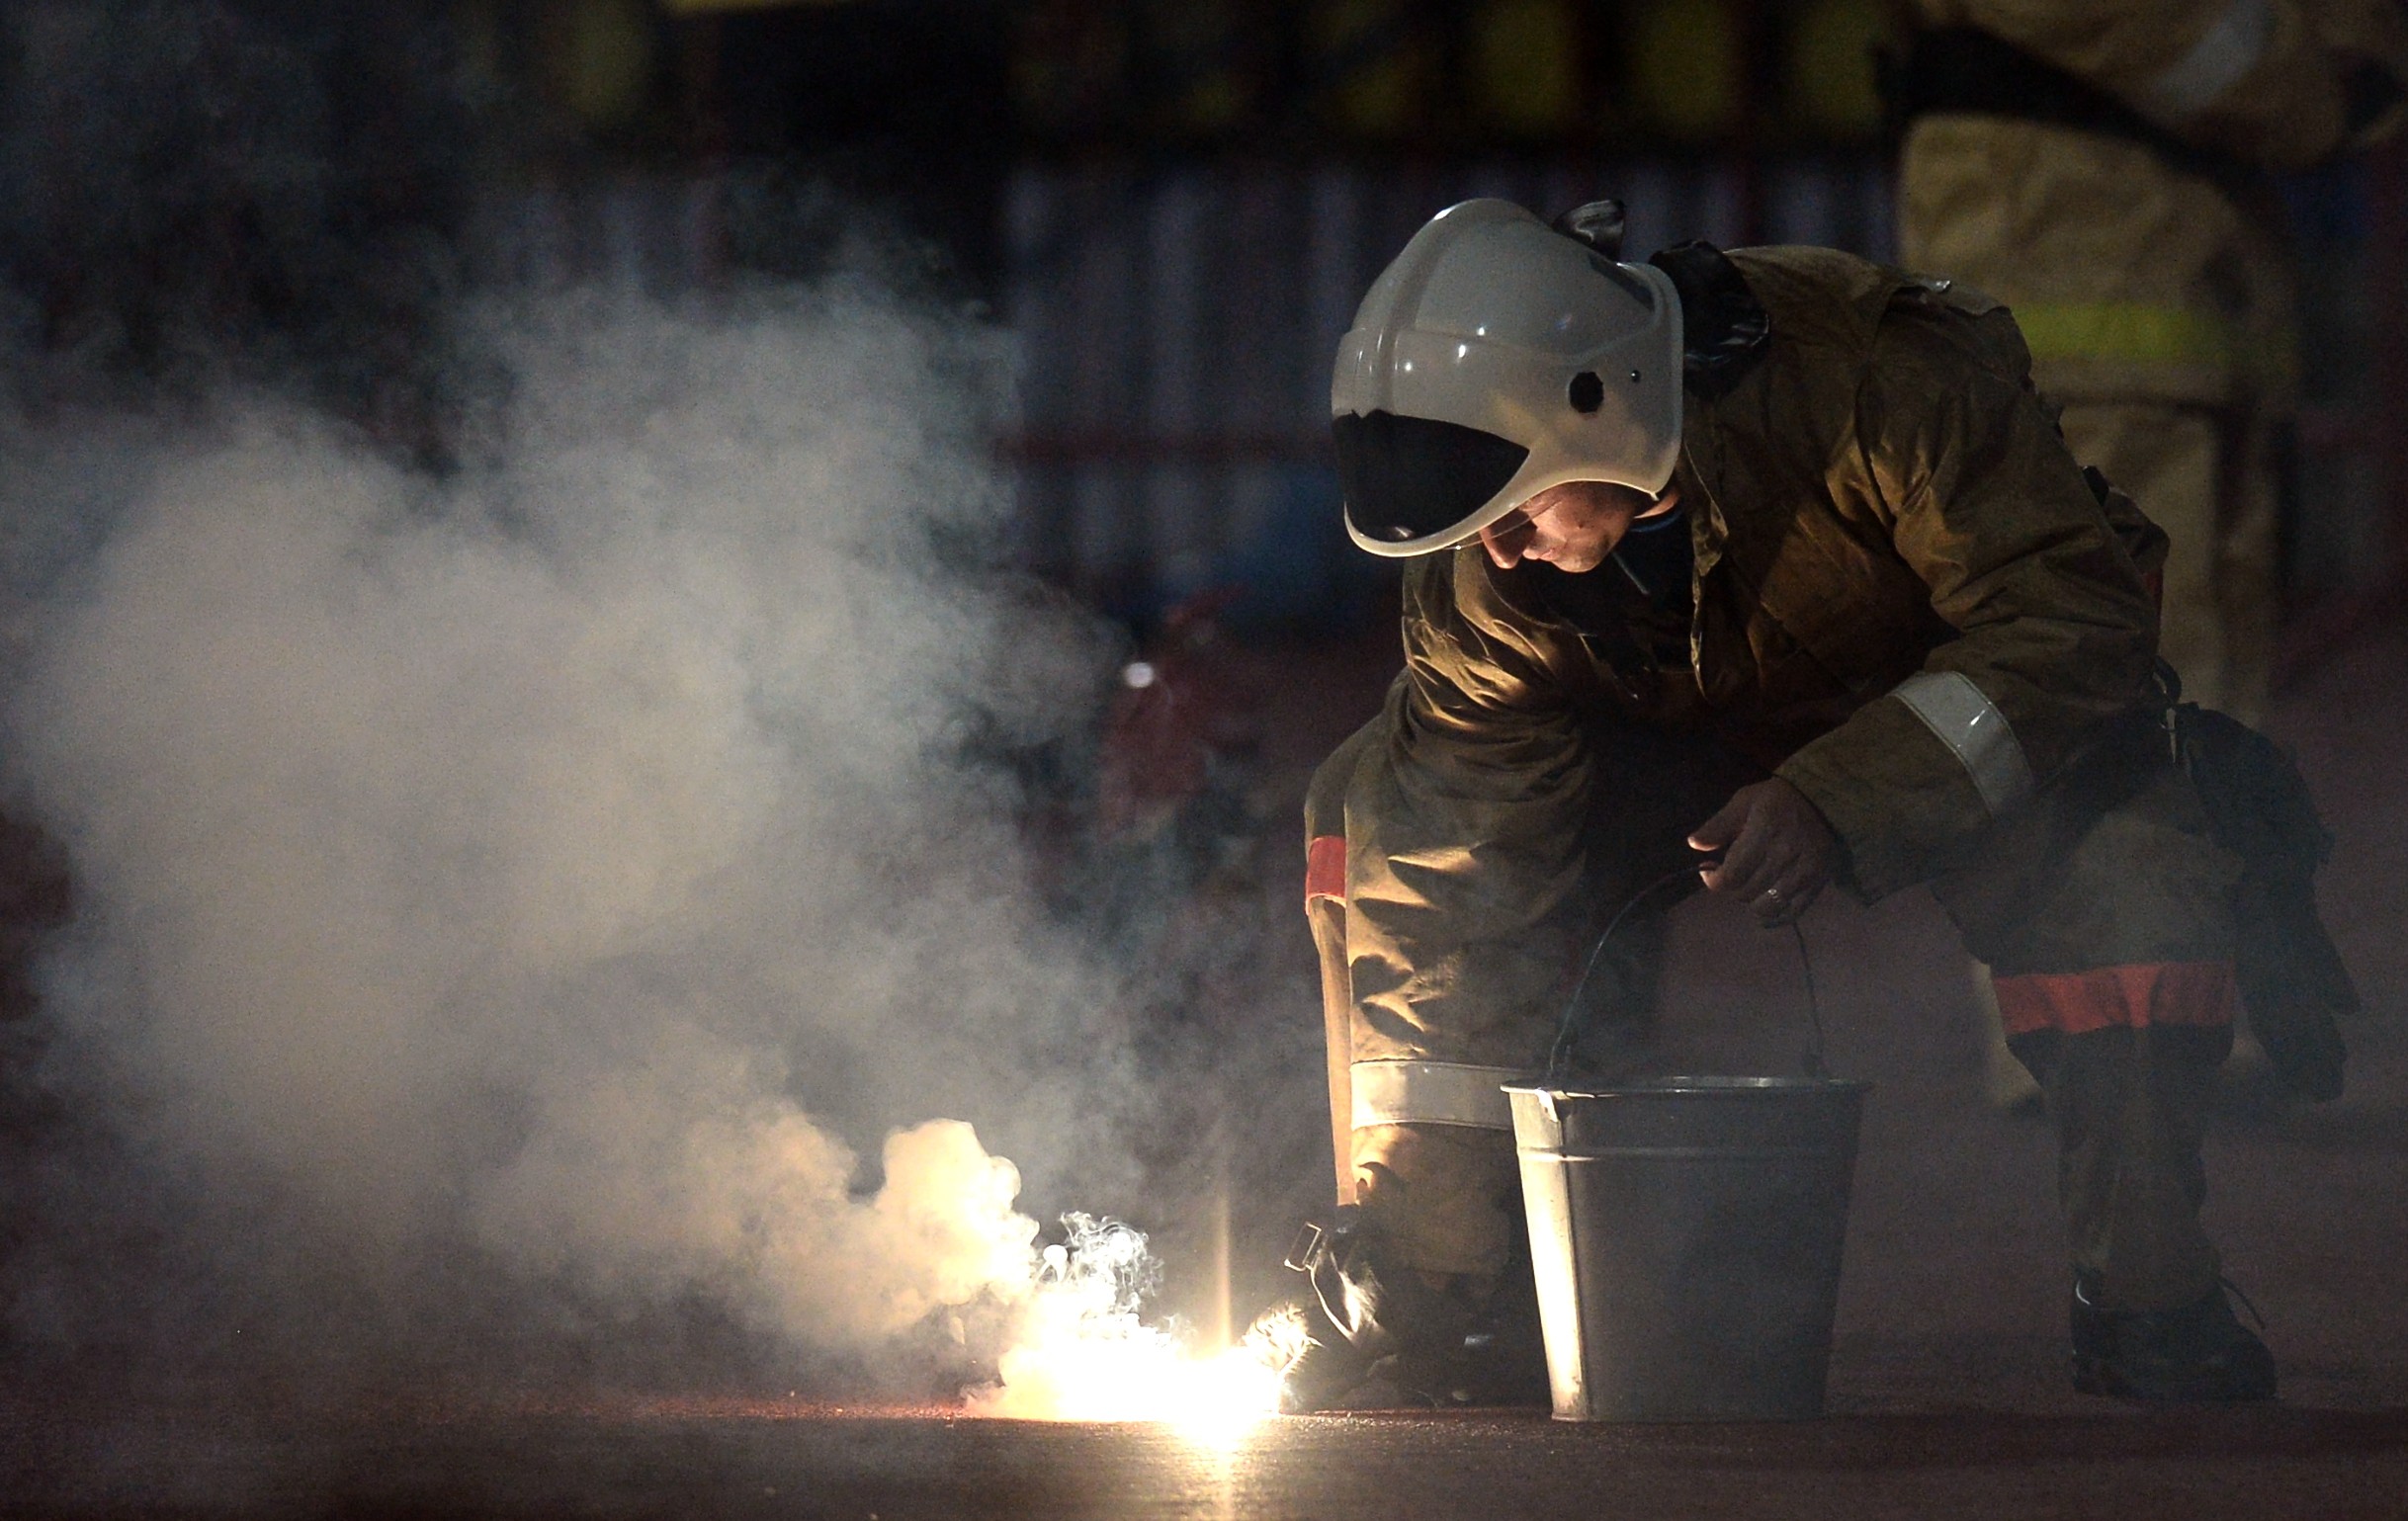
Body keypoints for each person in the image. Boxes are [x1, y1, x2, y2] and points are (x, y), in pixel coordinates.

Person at [1279, 196, 2351, 1411]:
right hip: (1663, 749)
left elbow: (2068, 622)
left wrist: (1835, 797)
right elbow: (1451, 873)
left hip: (1935, 718)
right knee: (1366, 811)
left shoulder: (1878, 381)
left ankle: (2147, 1295)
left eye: (1518, 511)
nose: (1504, 554)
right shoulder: (1484, 571)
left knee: (2132, 868)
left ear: (1603, 402)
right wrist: (1431, 1264)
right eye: (1480, 529)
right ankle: (1460, 1291)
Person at [1885, 0, 2408, 1111]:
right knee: (2093, 676)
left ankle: (2180, 1020)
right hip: (2068, 284)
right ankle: (2094, 1032)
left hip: (2178, 294)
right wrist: (2313, 86)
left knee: (2198, 687)